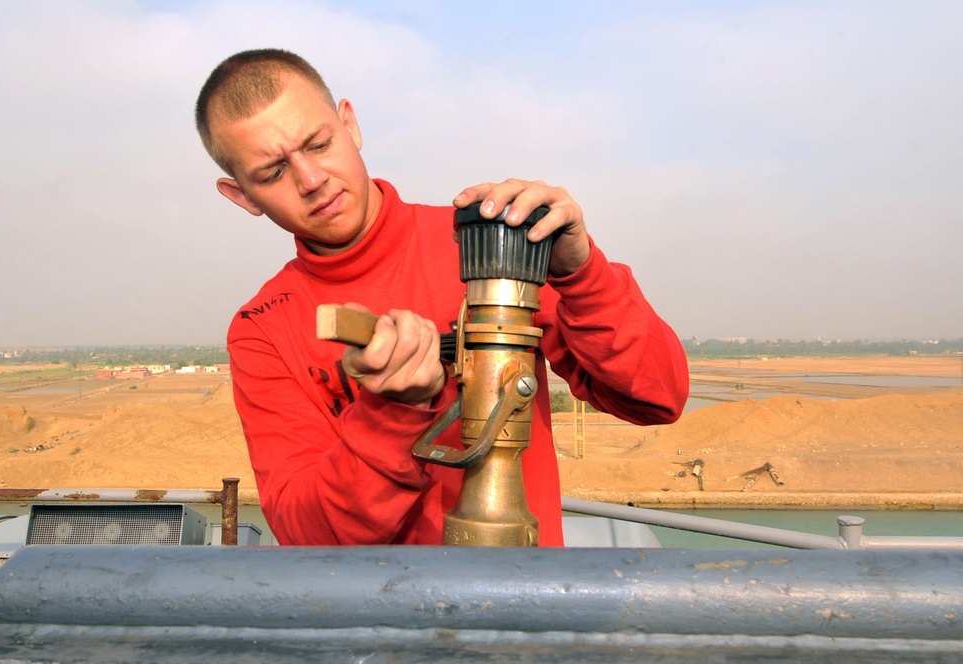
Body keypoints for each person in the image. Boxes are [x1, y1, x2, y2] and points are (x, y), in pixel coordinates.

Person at [195, 48, 689, 546]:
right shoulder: (262, 328)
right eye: (273, 173)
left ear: (350, 125)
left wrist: (582, 275)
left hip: (523, 605)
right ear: (242, 197)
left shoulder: (486, 245)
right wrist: (391, 413)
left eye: (319, 144)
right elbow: (310, 536)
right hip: (380, 618)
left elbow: (658, 398)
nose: (311, 180)